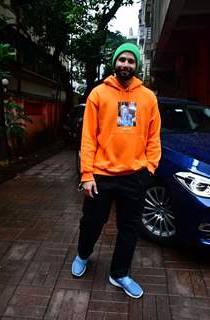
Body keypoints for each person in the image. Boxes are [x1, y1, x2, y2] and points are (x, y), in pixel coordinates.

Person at [72, 43, 161, 299]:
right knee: (92, 222)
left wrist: (149, 168)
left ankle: (119, 272)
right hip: (101, 175)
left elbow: (154, 138)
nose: (125, 64)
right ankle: (83, 254)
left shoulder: (148, 97)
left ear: (136, 66)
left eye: (131, 61)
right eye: (121, 59)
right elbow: (88, 137)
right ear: (114, 62)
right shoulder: (98, 94)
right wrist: (86, 174)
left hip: (135, 176)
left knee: (129, 228)